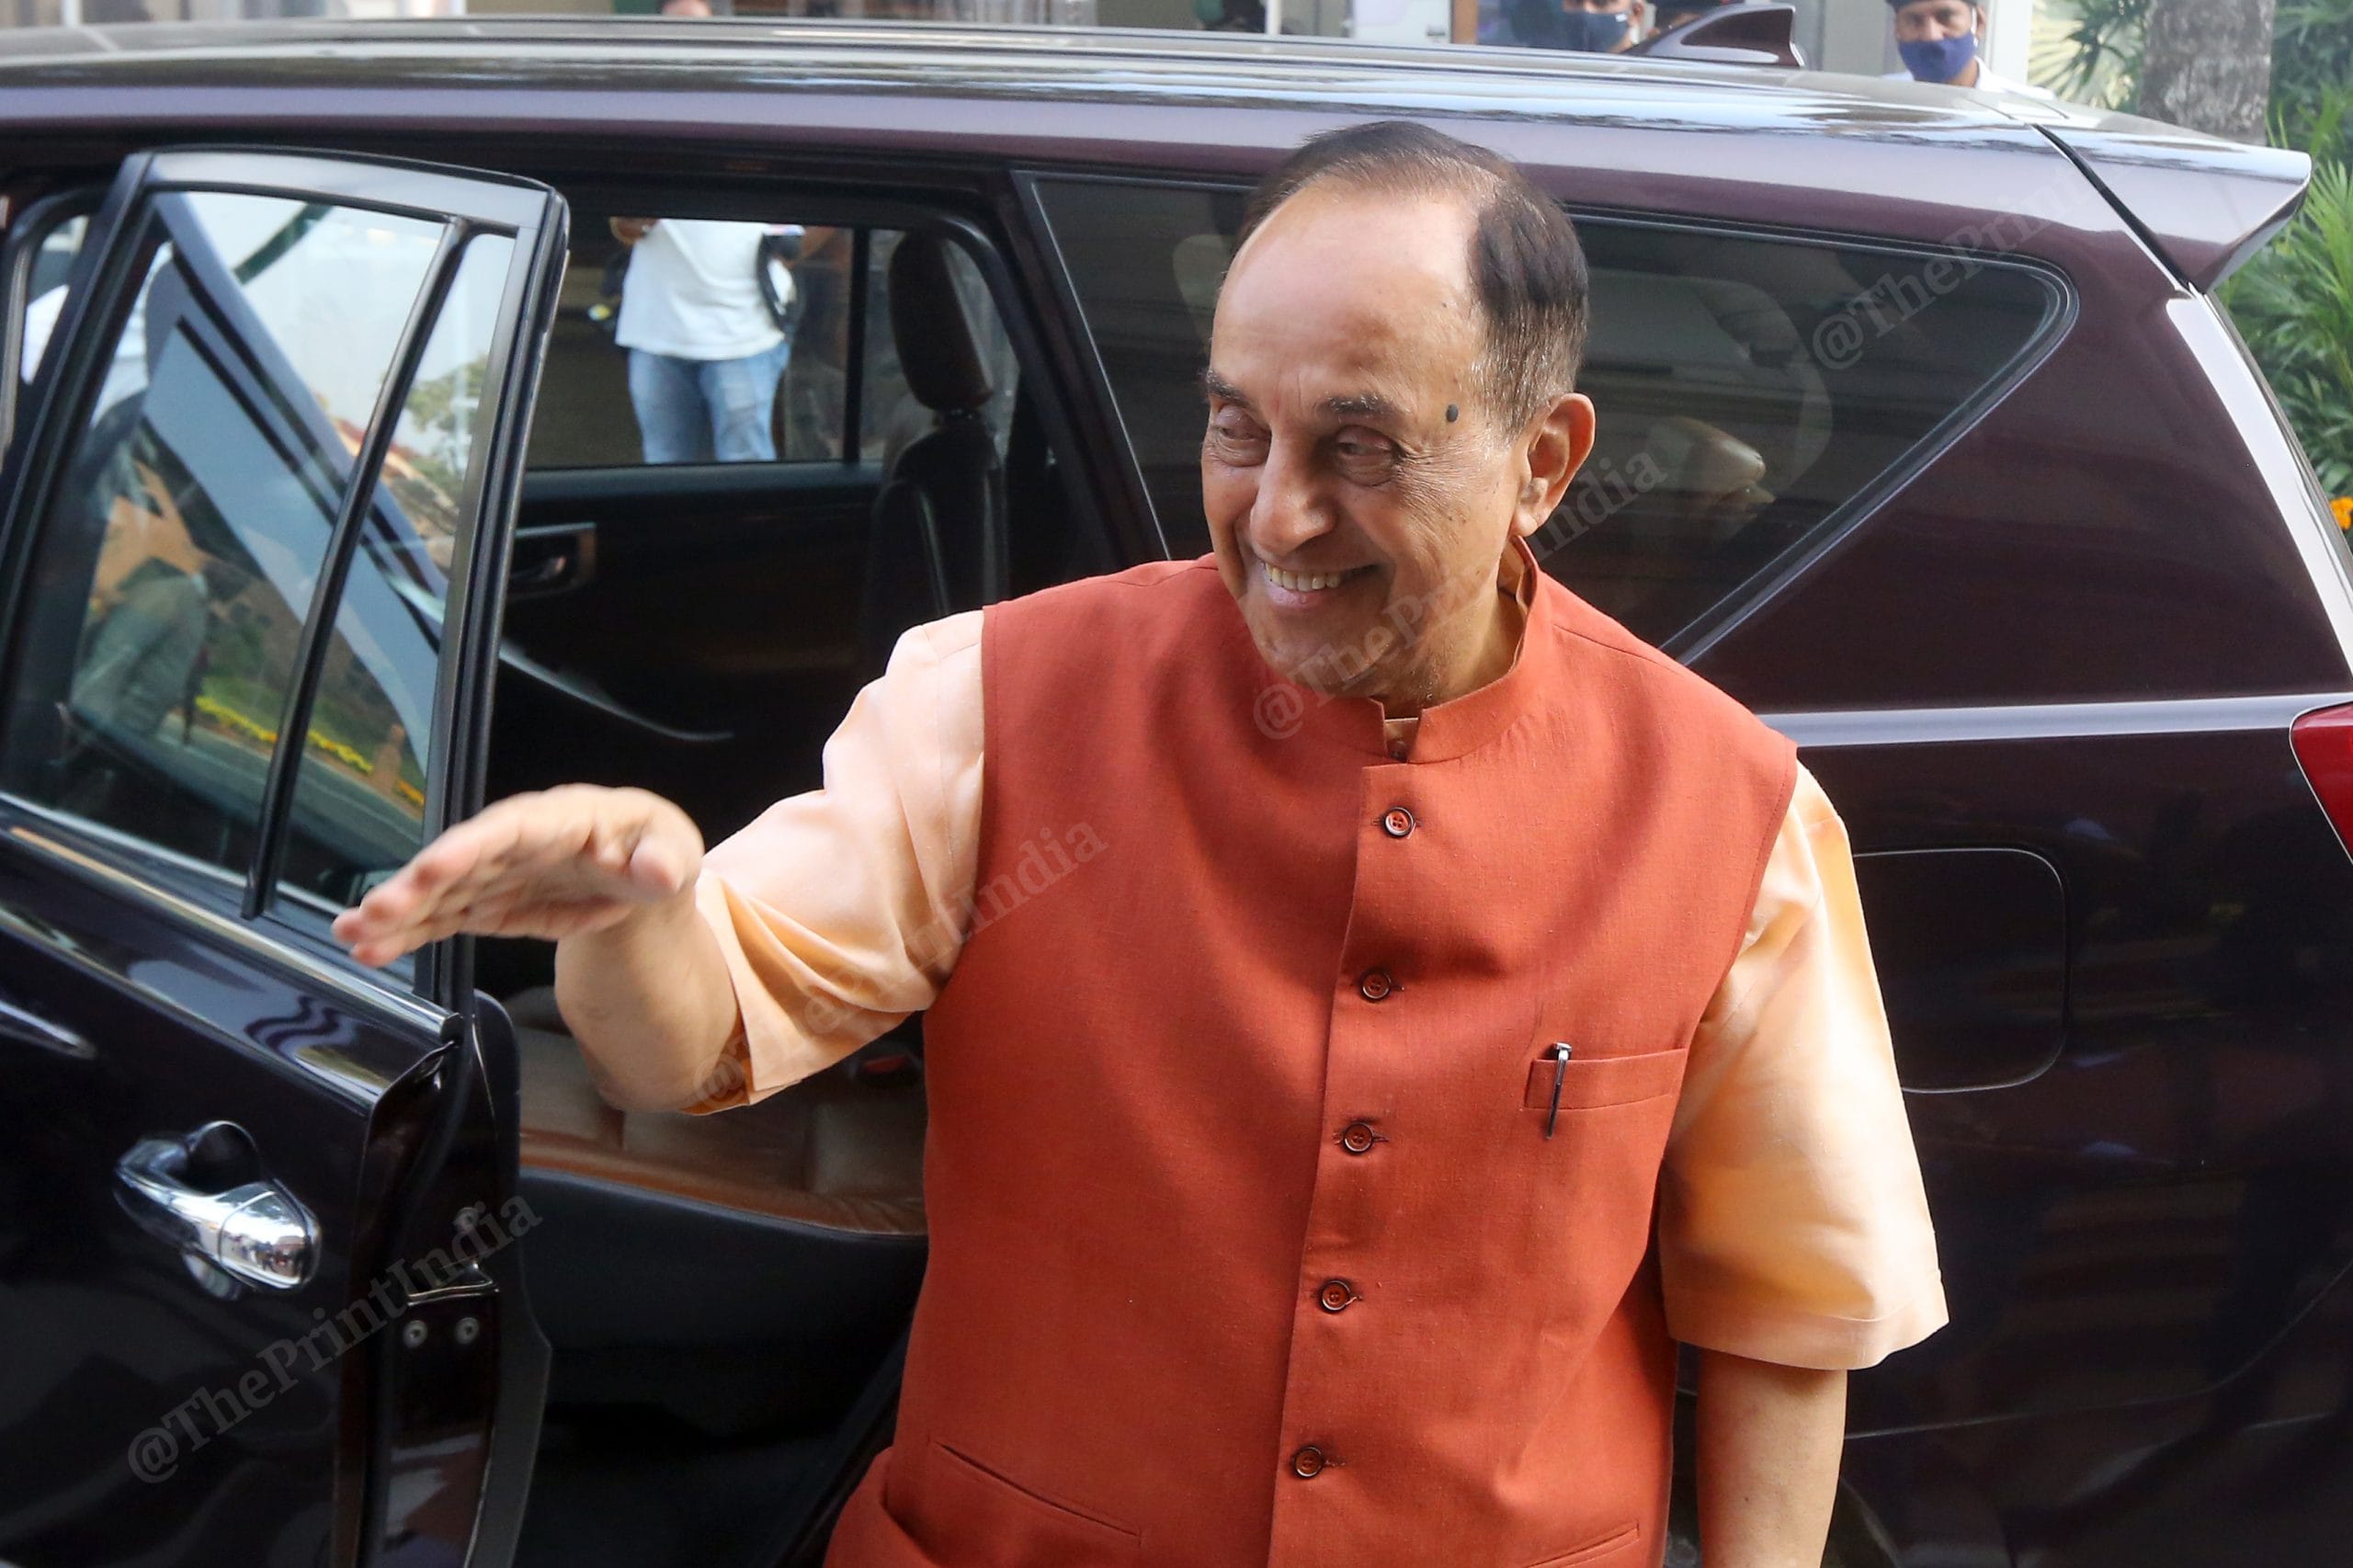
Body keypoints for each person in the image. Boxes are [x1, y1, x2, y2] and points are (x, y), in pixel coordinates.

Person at [335, 122, 1945, 1567]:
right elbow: (697, 1044)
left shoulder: (1735, 813)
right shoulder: (993, 702)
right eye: (1239, 429)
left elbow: (1787, 1323)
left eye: (1363, 448)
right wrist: (641, 916)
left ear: (1543, 463)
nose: (1277, 516)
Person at [608, 216, 793, 463]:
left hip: (746, 333)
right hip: (657, 330)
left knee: (745, 463)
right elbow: (622, 224)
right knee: (664, 462)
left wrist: (790, 254)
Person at [1882, 0, 2055, 93]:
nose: (1931, 35)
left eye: (1945, 17)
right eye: (1914, 20)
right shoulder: (1876, 104)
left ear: (1979, 22)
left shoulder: (2033, 114)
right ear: (1896, 29)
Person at [1505, 0, 1648, 51]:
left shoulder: (1653, 80)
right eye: (1575, 1)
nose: (1586, 10)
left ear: (1635, 13)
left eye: (1601, 2)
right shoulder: (1543, 70)